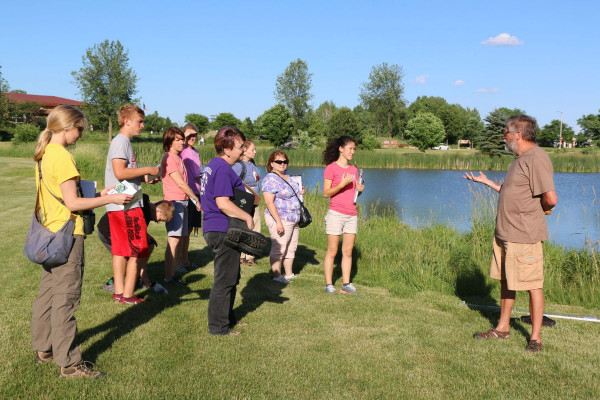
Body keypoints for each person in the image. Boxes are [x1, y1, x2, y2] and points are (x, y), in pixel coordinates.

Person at [30, 105, 132, 378]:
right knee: (66, 299)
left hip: (50, 234)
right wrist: (111, 198)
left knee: (48, 295)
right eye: (80, 129)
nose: (81, 135)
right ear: (67, 127)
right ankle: (70, 364)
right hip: (67, 236)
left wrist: (100, 192)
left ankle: (43, 349)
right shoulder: (62, 157)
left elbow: (62, 196)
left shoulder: (45, 154)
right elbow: (73, 203)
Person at [463, 114, 557, 352]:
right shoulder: (520, 159)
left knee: (533, 285)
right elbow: (515, 192)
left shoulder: (537, 158)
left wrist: (541, 211)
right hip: (505, 234)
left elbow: (550, 198)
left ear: (518, 134)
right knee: (507, 282)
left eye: (506, 131)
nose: (503, 135)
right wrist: (489, 183)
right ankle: (502, 328)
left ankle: (535, 338)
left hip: (524, 235)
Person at [104, 104, 160, 305]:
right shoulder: (122, 142)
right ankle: (128, 295)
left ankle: (119, 292)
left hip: (117, 205)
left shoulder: (121, 142)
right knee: (138, 249)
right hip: (126, 206)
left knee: (120, 250)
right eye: (140, 121)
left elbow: (124, 176)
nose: (142, 126)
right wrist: (149, 168)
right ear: (127, 121)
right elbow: (119, 172)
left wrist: (145, 178)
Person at [200, 126, 252, 335]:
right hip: (222, 229)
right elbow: (222, 203)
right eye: (240, 146)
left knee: (231, 275)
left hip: (216, 227)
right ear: (228, 148)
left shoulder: (213, 165)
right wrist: (247, 216)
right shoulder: (222, 168)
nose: (243, 150)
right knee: (224, 279)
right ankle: (219, 328)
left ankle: (228, 318)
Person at [99, 194, 175, 295]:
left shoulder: (146, 211)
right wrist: (145, 275)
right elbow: (140, 196)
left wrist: (146, 235)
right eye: (160, 219)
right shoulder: (143, 208)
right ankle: (112, 284)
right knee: (127, 256)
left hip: (121, 230)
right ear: (158, 211)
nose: (158, 222)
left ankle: (136, 278)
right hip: (108, 230)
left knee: (149, 244)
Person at [322, 136, 365, 294]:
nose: (353, 152)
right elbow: (326, 193)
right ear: (341, 149)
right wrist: (341, 184)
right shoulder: (331, 168)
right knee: (332, 251)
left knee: (347, 251)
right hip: (335, 214)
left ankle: (346, 284)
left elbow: (353, 195)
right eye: (350, 149)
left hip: (351, 214)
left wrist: (359, 191)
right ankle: (328, 284)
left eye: (354, 149)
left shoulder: (354, 170)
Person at [161, 127, 201, 285]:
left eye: (181, 139)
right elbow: (181, 183)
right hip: (175, 202)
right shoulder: (170, 158)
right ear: (169, 142)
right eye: (177, 139)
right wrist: (195, 199)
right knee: (173, 240)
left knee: (180, 238)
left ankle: (174, 272)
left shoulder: (178, 158)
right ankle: (169, 276)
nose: (181, 142)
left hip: (182, 201)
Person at [262, 150, 306, 284]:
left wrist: (300, 192)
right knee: (279, 247)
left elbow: (292, 193)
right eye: (279, 162)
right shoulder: (270, 179)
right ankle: (276, 275)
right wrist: (278, 222)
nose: (282, 164)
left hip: (293, 218)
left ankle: (289, 274)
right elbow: (269, 202)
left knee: (291, 247)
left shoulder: (287, 176)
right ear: (271, 163)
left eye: (284, 161)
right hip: (280, 218)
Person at [232, 140, 261, 266]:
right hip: (244, 203)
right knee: (243, 228)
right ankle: (240, 257)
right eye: (252, 149)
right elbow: (232, 183)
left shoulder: (253, 163)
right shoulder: (238, 166)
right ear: (244, 151)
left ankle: (250, 256)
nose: (255, 152)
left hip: (255, 201)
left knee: (255, 228)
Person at [179, 123, 202, 274]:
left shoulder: (195, 151)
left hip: (197, 191)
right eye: (189, 136)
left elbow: (197, 172)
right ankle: (179, 261)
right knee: (184, 230)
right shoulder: (183, 152)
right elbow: (190, 174)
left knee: (188, 229)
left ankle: (185, 259)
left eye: (195, 135)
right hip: (189, 193)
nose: (192, 138)